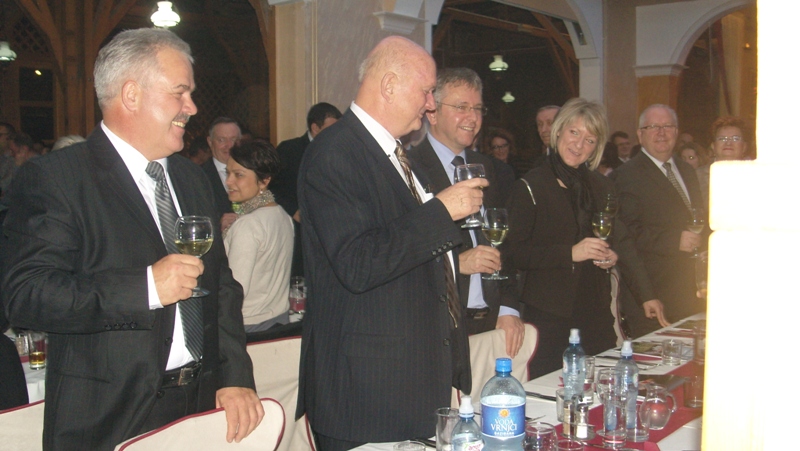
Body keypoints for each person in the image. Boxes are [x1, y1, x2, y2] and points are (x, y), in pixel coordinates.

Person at [1, 29, 263, 450]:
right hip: (110, 417)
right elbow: (27, 295)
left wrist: (234, 375)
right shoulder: (58, 178)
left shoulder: (192, 178)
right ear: (131, 94)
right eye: (180, 92)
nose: (192, 107)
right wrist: (145, 289)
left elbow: (222, 286)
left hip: (200, 404)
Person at [296, 35, 486, 450]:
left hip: (407, 383)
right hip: (367, 395)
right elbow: (359, 263)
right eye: (426, 91)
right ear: (388, 85)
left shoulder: (397, 155)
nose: (431, 104)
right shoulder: (336, 152)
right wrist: (441, 211)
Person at [504, 98, 666, 378]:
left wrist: (611, 257)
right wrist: (570, 253)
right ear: (558, 131)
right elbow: (512, 253)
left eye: (589, 140)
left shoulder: (601, 186)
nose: (579, 145)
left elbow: (620, 241)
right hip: (549, 315)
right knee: (553, 389)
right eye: (574, 132)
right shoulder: (530, 186)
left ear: (597, 147)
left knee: (602, 385)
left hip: (595, 312)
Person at [407, 68, 524, 355]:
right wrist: (456, 264)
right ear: (432, 113)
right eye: (461, 107)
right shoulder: (409, 169)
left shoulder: (494, 169)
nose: (473, 118)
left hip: (492, 323)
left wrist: (508, 307)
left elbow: (507, 244)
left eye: (477, 108)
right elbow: (402, 250)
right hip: (435, 326)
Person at [612, 104, 707, 325]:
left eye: (667, 126)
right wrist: (673, 240)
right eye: (653, 127)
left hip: (691, 292)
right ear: (640, 134)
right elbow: (626, 236)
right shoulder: (626, 176)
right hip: (654, 295)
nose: (661, 133)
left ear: (676, 132)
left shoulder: (687, 171)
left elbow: (697, 218)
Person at [223, 141, 293, 333]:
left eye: (239, 175)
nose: (229, 181)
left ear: (264, 180)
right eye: (227, 173)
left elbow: (235, 291)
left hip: (248, 326)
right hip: (278, 321)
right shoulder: (282, 215)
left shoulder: (248, 225)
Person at [272, 102, 342, 278]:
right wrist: (293, 209)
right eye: (331, 129)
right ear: (315, 128)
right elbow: (270, 187)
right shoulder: (289, 150)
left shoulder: (340, 152)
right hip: (296, 233)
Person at [696, 116, 750, 205]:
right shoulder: (697, 176)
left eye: (735, 138)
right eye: (722, 139)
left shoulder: (754, 176)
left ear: (744, 146)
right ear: (713, 146)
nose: (728, 143)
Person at [202, 117, 241, 233]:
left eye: (233, 139)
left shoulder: (254, 172)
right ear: (210, 142)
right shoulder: (198, 176)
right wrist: (217, 225)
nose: (229, 145)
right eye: (221, 140)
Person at [480, 127, 517, 203]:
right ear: (491, 150)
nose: (501, 150)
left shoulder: (518, 166)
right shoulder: (491, 171)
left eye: (504, 146)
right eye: (496, 147)